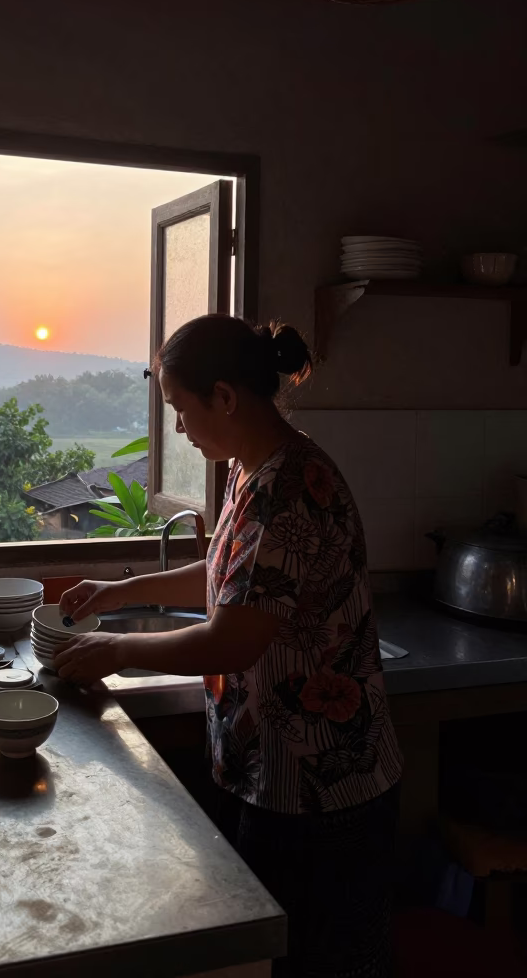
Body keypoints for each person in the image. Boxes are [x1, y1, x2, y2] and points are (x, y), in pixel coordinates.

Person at [55, 313, 402, 978]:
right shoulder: (257, 468)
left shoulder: (289, 489)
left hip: (321, 788)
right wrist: (120, 591)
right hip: (274, 771)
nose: (179, 428)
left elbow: (232, 640)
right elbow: (229, 577)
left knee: (320, 963)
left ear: (223, 396)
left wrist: (118, 652)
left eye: (180, 409)